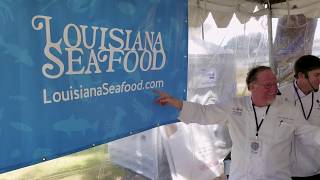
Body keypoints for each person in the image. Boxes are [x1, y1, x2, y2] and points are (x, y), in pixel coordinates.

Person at [155, 66, 320, 180]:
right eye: (267, 85)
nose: (273, 89)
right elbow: (204, 113)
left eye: (275, 83)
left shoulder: (288, 110)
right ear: (251, 86)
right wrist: (177, 103)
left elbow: (312, 135)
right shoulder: (235, 106)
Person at [279, 55, 320, 179]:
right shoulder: (280, 95)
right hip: (288, 168)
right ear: (302, 75)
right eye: (317, 75)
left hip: (316, 163)